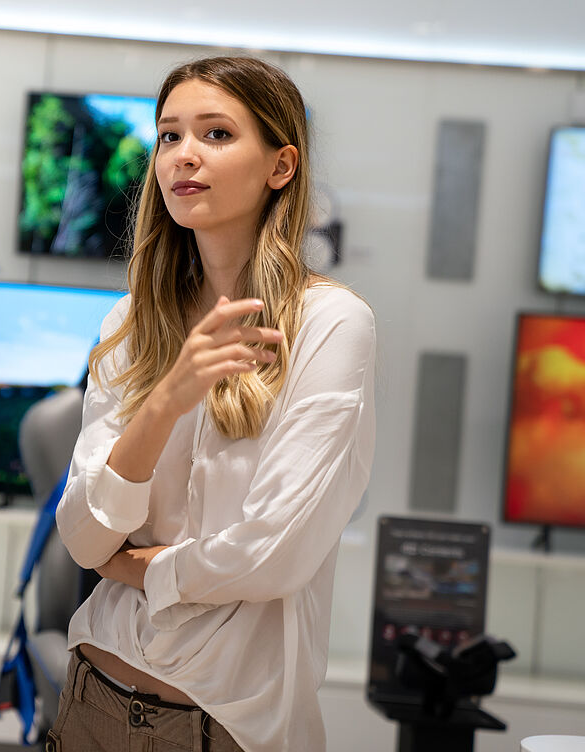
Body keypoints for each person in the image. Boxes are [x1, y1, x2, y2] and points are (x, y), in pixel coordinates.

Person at [52, 56, 375, 752]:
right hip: (92, 698)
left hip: (225, 724)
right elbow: (81, 535)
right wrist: (168, 398)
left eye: (217, 134)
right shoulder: (130, 321)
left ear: (280, 165)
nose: (182, 156)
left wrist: (137, 566)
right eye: (169, 136)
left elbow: (272, 555)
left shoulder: (332, 324)